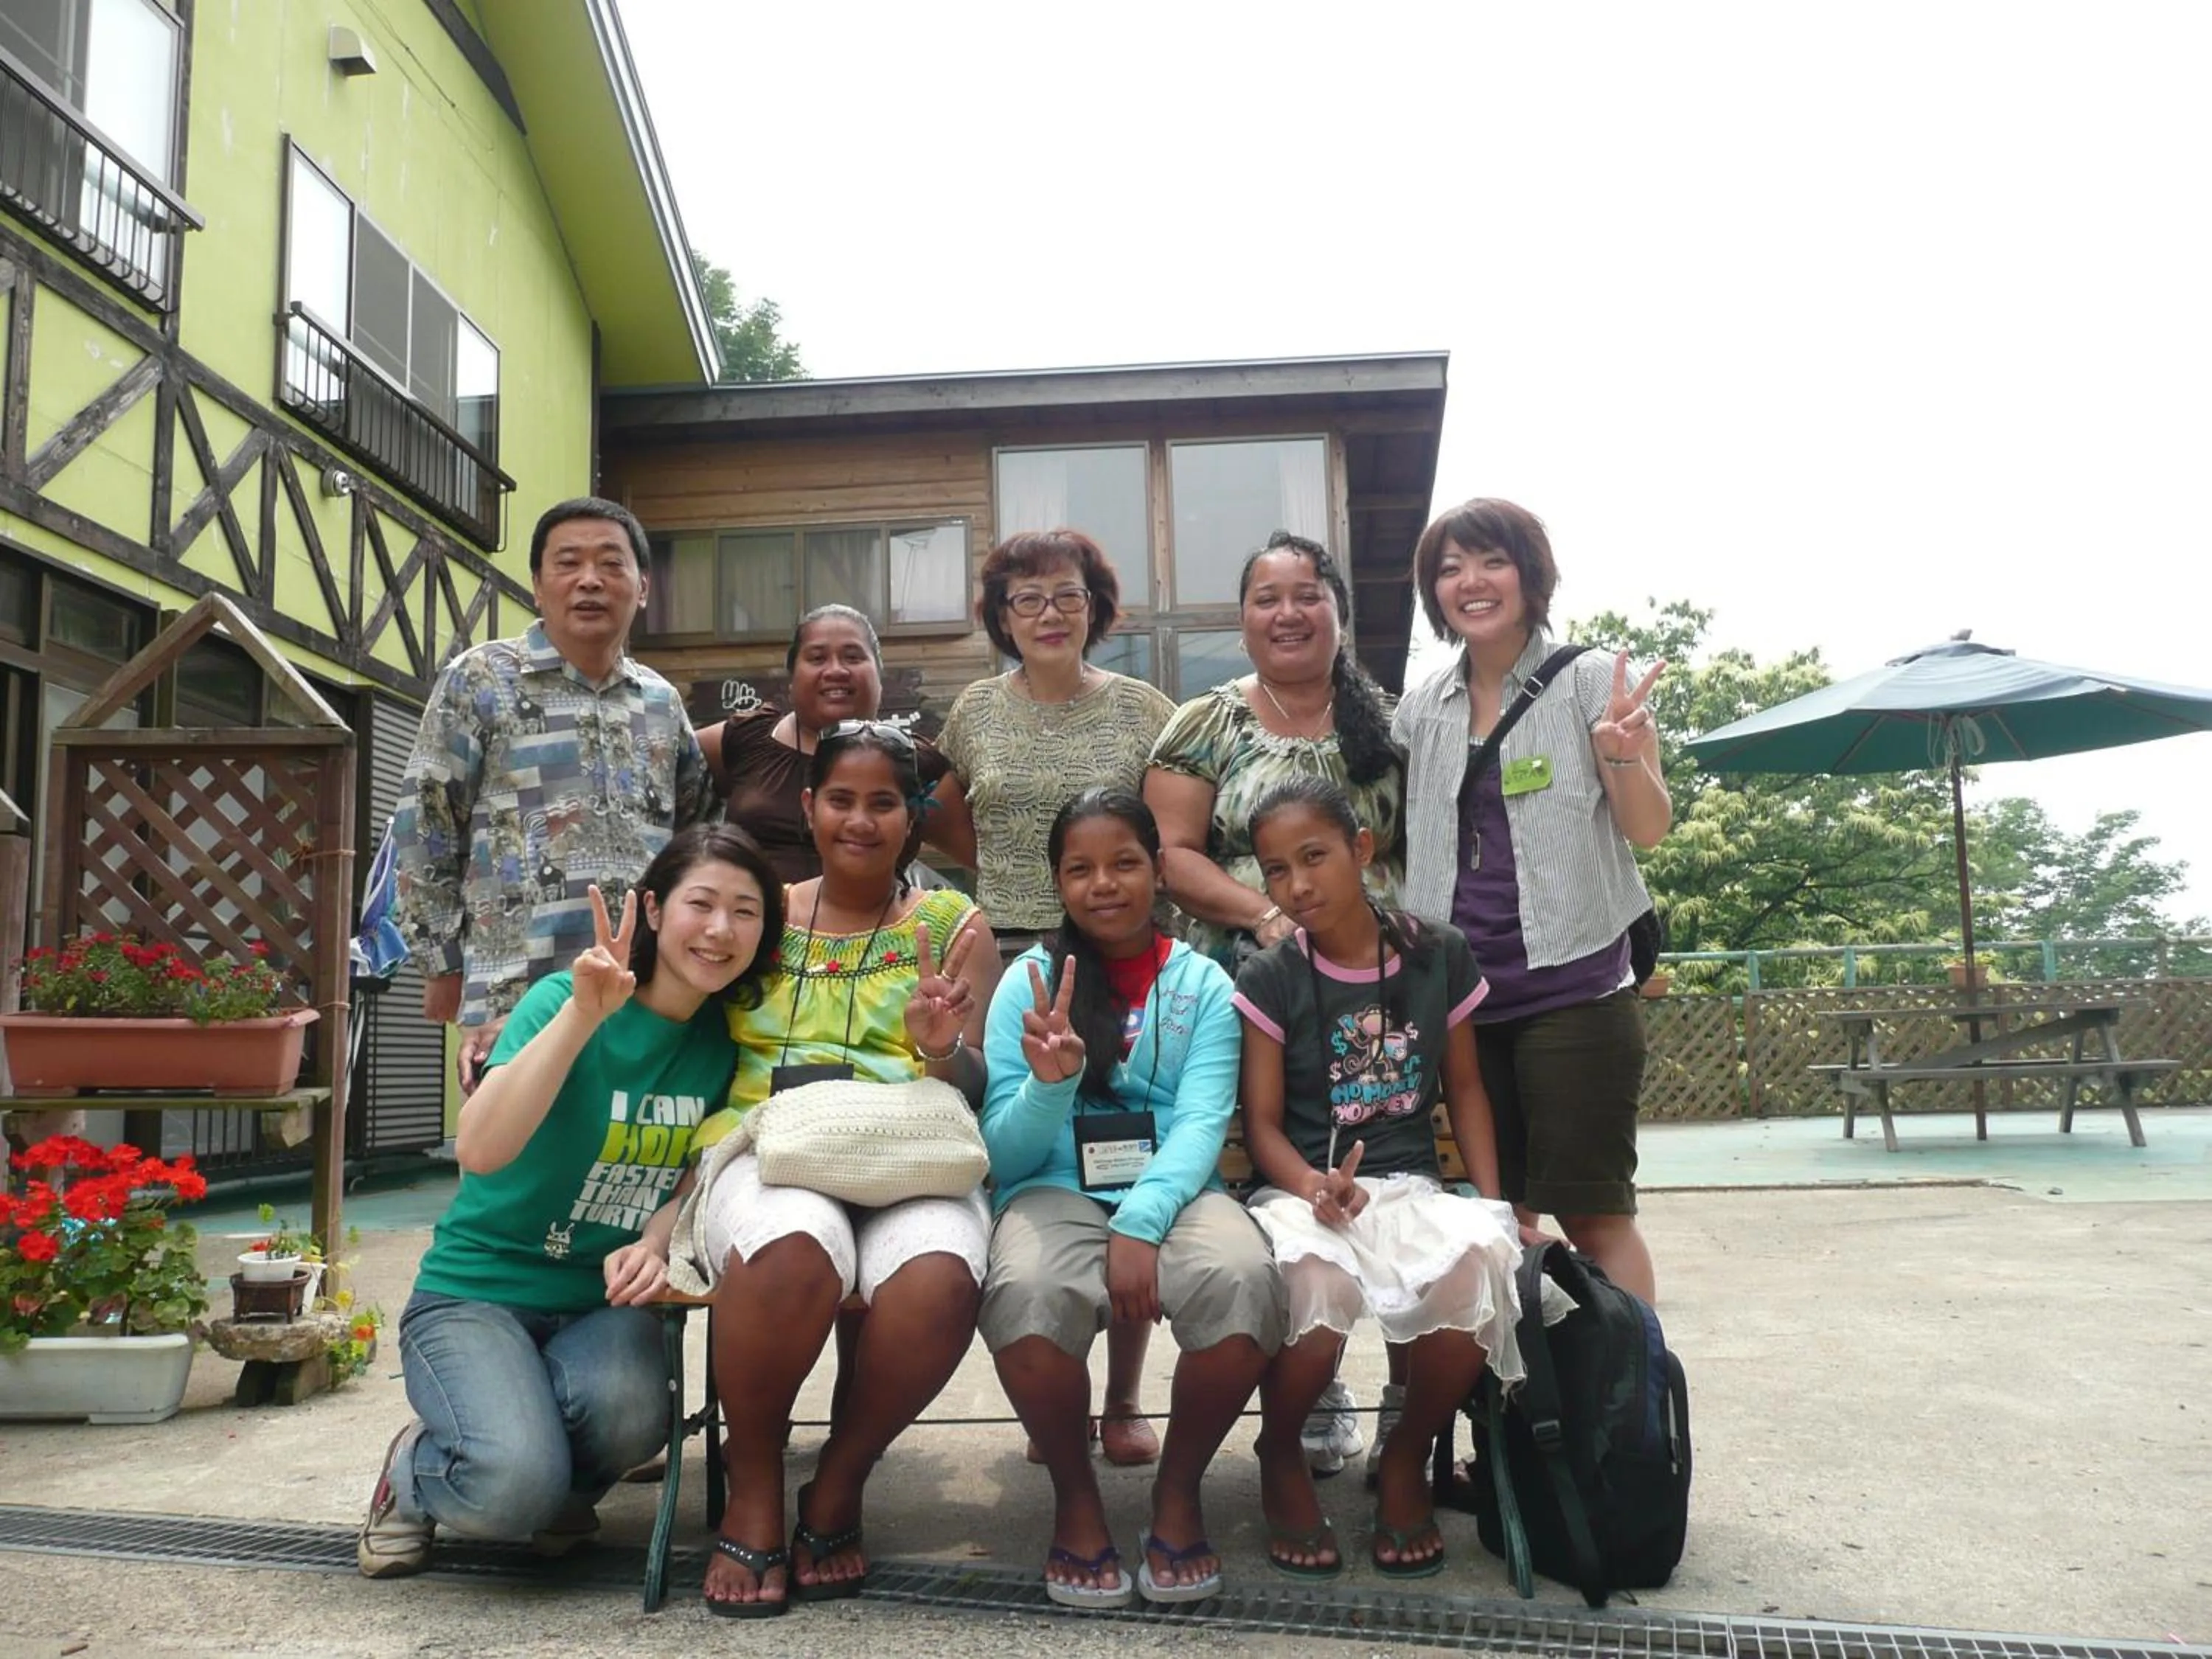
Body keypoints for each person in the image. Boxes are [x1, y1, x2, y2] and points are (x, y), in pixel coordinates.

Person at [356, 824, 782, 1579]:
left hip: (600, 1307)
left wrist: (656, 1243)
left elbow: (694, 1171)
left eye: (745, 911)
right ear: (652, 911)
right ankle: (419, 1471)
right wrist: (583, 1015)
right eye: (702, 904)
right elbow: (482, 1151)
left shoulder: (729, 1043)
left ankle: (546, 1475)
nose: (720, 930)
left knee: (629, 1419)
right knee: (511, 1492)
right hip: (476, 1295)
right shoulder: (568, 998)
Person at [686, 720, 1001, 1618]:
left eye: (884, 803)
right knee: (791, 1247)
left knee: (938, 1275)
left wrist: (941, 1051)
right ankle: (752, 1487)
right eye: (841, 800)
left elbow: (975, 1085)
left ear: (914, 817)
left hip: (911, 1155)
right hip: (769, 1149)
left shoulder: (952, 925)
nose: (860, 821)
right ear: (808, 806)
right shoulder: (762, 915)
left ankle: (839, 1480)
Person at [1144, 528, 1405, 1481]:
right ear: (1243, 616)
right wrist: (1266, 915)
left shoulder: (1390, 720)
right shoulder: (1205, 721)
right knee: (1267, 1180)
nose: (1289, 612)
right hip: (1250, 990)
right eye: (1267, 596)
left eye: (1308, 594)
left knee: (1398, 1171)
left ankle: (1418, 1387)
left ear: (1339, 610)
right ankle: (1313, 1377)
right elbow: (1170, 852)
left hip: (1381, 995)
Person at [979, 790, 1281, 1610]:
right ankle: (1076, 1500)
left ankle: (1177, 1493)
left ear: (1158, 871)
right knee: (1024, 1291)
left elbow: (1201, 1123)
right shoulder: (1029, 983)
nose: (1104, 884)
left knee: (1244, 1276)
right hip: (1053, 1191)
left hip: (1177, 1193)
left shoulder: (1206, 985)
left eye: (1125, 863)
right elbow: (1004, 1153)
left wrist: (1141, 1223)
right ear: (1056, 882)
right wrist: (1053, 1086)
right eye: (1080, 869)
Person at [1231, 777, 1526, 1581]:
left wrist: (1495, 1205)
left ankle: (1406, 1456)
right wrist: (1310, 1183)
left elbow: (1464, 1088)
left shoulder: (1437, 954)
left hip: (1408, 1187)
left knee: (1471, 1278)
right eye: (1276, 870)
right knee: (1319, 1291)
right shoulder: (1271, 978)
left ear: (1361, 851)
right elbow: (1260, 1122)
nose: (1297, 885)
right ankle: (1281, 1448)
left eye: (1315, 857)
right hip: (1303, 1192)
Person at [939, 527, 1178, 1467]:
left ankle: (1121, 1399)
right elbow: (956, 816)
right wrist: (1005, 885)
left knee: (1121, 1165)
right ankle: (1057, 1392)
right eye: (1026, 597)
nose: (1047, 612)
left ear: (1096, 608)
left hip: (1122, 959)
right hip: (1008, 960)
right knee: (1029, 1171)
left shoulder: (1143, 712)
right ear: (1001, 616)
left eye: (1066, 594)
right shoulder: (971, 712)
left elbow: (1166, 829)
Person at [1393, 498, 1668, 1303]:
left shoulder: (1591, 684)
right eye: (1450, 569)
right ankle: (1528, 1413)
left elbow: (1649, 830)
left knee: (1595, 1216)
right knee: (1495, 1218)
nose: (1471, 583)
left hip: (1575, 996)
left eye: (1491, 562)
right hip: (1466, 1010)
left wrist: (1622, 755)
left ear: (1529, 574)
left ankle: (1630, 1409)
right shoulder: (1422, 707)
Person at [392, 496, 720, 1093]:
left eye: (610, 564)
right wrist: (439, 962)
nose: (590, 580)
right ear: (538, 586)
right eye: (568, 563)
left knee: (624, 1168)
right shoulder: (480, 679)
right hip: (513, 990)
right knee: (515, 1166)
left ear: (642, 587)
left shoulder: (661, 702)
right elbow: (424, 823)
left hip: (641, 989)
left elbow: (695, 838)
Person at [698, 603, 975, 885]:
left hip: (875, 926)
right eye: (817, 658)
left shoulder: (915, 762)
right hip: (753, 925)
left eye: (853, 657)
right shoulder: (746, 737)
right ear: (791, 680)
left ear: (879, 680)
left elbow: (987, 857)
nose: (836, 670)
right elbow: (664, 774)